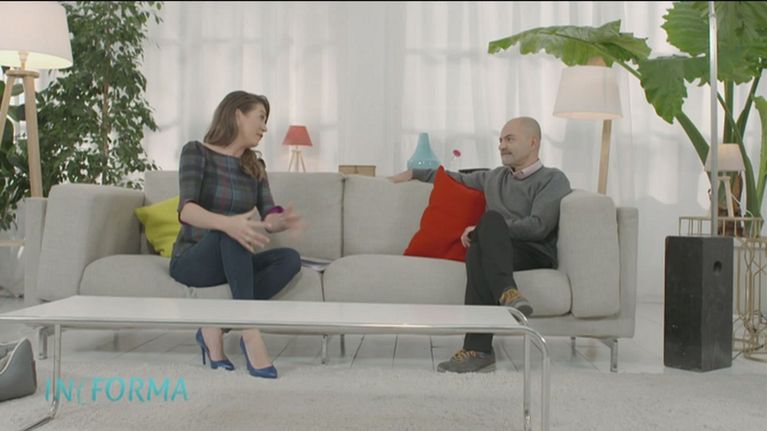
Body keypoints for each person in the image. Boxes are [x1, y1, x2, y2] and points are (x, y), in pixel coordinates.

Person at [389, 117, 571, 373]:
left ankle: (479, 347)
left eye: (510, 139)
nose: (502, 146)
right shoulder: (494, 177)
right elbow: (451, 178)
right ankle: (505, 298)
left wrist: (482, 230)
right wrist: (413, 173)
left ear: (533, 143)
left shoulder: (553, 179)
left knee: (490, 222)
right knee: (477, 250)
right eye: (500, 140)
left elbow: (539, 226)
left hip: (533, 251)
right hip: (497, 252)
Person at [169, 91, 304, 379]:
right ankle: (250, 332)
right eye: (261, 118)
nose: (264, 127)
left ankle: (215, 326)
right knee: (233, 231)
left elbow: (268, 212)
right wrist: (227, 224)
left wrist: (279, 220)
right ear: (237, 115)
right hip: (194, 258)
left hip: (233, 258)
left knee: (289, 259)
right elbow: (186, 210)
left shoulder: (255, 165)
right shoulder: (196, 152)